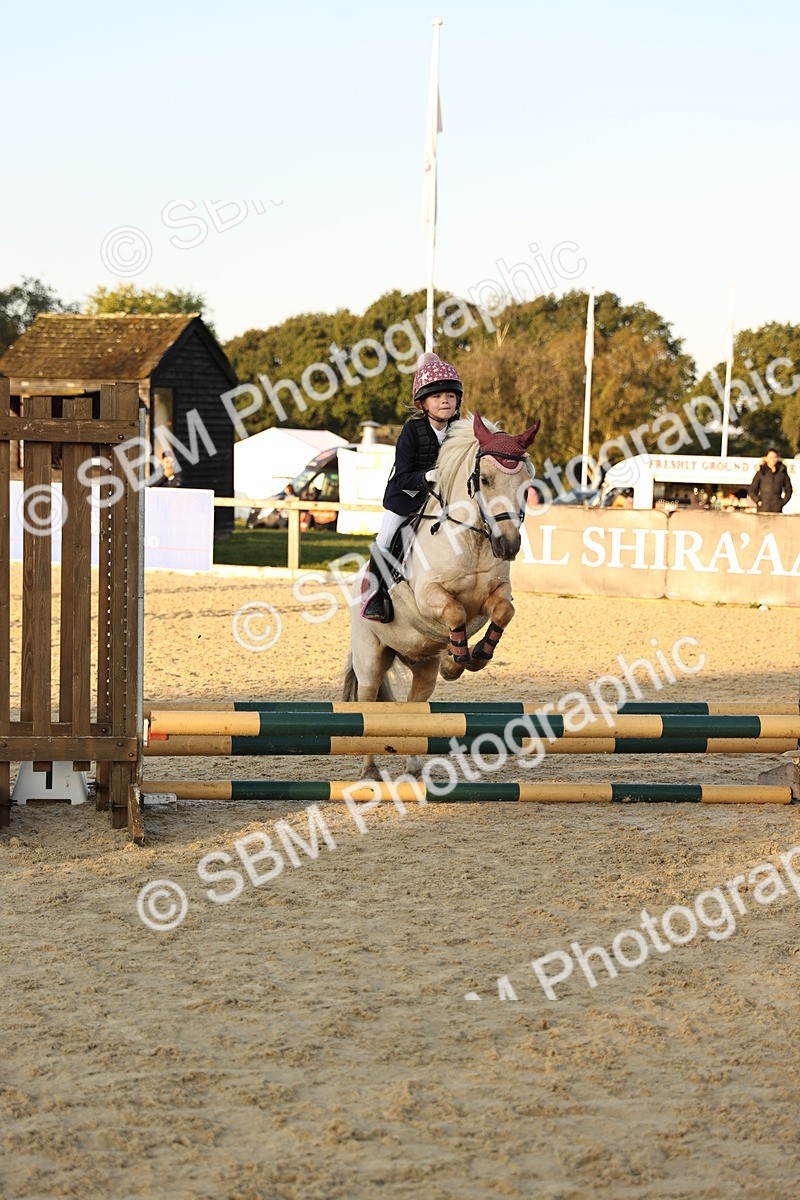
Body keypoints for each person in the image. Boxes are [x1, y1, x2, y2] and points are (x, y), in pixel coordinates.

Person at [360, 351, 463, 622]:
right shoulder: (411, 430)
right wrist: (427, 477)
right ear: (423, 403)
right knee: (386, 535)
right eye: (437, 396)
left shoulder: (461, 429)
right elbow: (402, 475)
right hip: (406, 496)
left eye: (450, 396)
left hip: (444, 499)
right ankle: (375, 595)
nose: (445, 401)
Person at [747, 448, 793, 513]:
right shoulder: (761, 473)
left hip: (777, 509)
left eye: (775, 457)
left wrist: (782, 502)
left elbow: (789, 489)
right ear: (766, 458)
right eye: (771, 457)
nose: (773, 459)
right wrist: (758, 501)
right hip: (763, 509)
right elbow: (752, 490)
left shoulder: (782, 472)